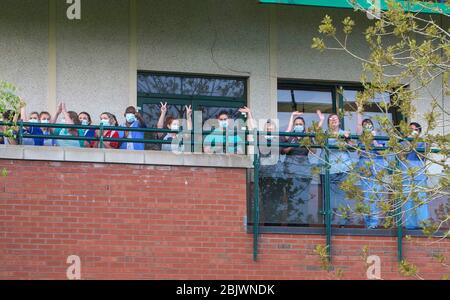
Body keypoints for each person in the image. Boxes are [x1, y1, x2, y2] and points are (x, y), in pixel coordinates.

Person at [281, 110, 324, 224]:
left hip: (304, 170)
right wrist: (292, 116)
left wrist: (321, 120)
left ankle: (302, 222)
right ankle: (292, 222)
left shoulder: (307, 137)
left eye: (300, 124)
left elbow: (314, 150)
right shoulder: (290, 136)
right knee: (291, 196)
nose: (298, 126)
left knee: (303, 196)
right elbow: (284, 151)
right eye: (297, 124)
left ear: (304, 126)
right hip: (290, 170)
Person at [321, 113, 355, 226]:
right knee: (328, 197)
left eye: (335, 118)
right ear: (328, 123)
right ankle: (328, 223)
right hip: (328, 169)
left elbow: (353, 148)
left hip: (344, 168)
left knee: (343, 197)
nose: (333, 120)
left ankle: (343, 222)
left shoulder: (344, 133)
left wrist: (347, 138)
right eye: (331, 119)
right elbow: (317, 143)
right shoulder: (325, 134)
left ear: (339, 122)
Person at [356, 116, 389, 229]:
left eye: (369, 124)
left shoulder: (379, 137)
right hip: (365, 168)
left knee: (376, 194)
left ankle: (374, 223)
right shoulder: (360, 139)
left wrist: (374, 138)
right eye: (365, 125)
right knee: (367, 195)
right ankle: (368, 222)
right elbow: (358, 151)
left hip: (378, 168)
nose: (367, 126)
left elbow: (382, 152)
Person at [399, 122, 430, 230]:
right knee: (408, 200)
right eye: (411, 129)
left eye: (415, 129)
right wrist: (409, 142)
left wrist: (415, 143)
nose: (413, 131)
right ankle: (410, 225)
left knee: (421, 200)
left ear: (419, 132)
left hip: (420, 174)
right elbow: (402, 155)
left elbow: (423, 156)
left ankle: (424, 224)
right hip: (406, 173)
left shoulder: (424, 142)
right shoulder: (402, 143)